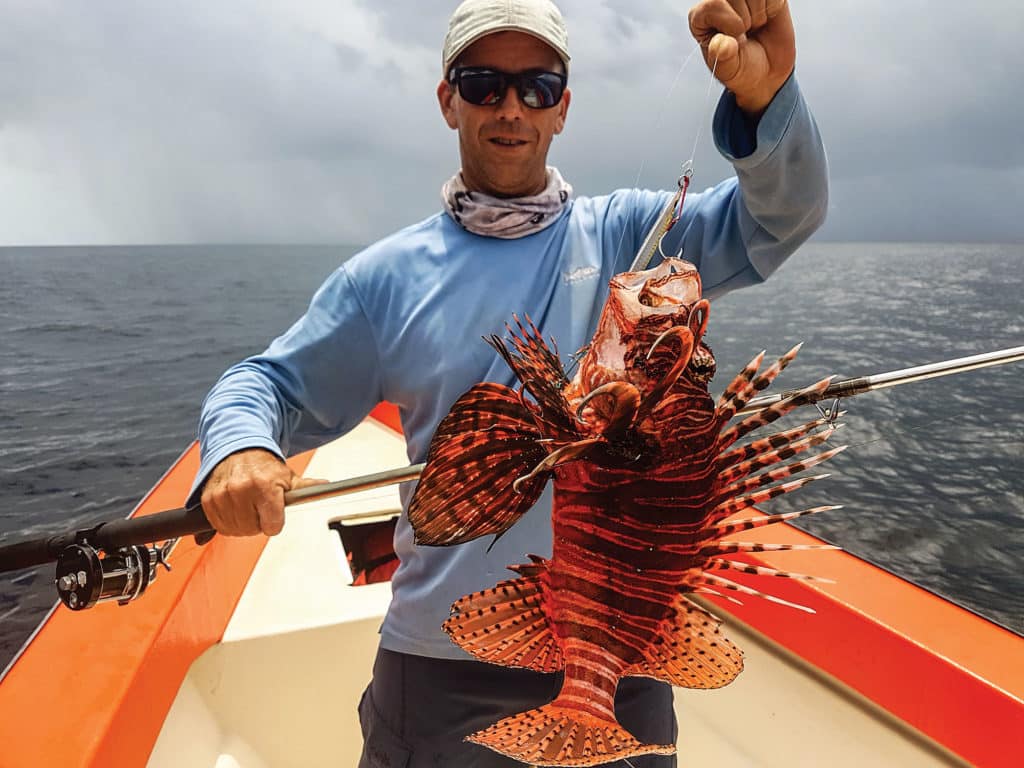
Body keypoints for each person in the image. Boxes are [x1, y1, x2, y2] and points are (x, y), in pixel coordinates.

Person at [190, 0, 827, 765]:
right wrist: (240, 449)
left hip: (626, 651)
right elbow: (266, 387)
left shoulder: (634, 236)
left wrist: (768, 96)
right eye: (485, 83)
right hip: (443, 663)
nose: (511, 107)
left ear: (563, 106)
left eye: (537, 85)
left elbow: (780, 218)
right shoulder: (385, 280)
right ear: (447, 98)